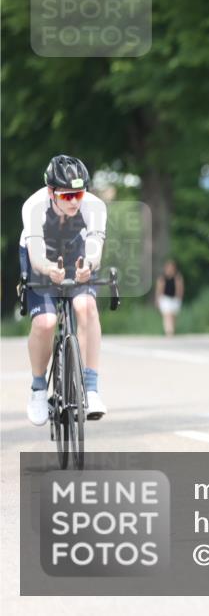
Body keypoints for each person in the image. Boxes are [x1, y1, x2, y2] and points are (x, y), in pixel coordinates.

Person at [20, 155, 108, 425]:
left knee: (86, 306)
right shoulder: (34, 206)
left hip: (75, 253)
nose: (74, 201)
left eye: (79, 194)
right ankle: (38, 389)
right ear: (51, 192)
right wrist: (48, 270)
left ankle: (91, 388)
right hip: (40, 256)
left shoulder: (94, 207)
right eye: (67, 196)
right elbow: (36, 256)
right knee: (46, 323)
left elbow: (94, 249)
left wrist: (88, 267)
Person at [155, 259, 184, 336]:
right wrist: (157, 300)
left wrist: (179, 298)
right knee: (167, 315)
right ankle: (169, 331)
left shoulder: (177, 277)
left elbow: (180, 289)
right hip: (165, 299)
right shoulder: (162, 278)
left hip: (175, 298)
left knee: (173, 316)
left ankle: (172, 330)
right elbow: (159, 290)